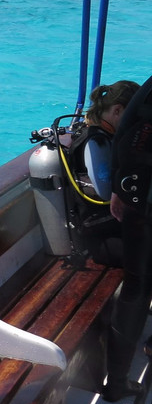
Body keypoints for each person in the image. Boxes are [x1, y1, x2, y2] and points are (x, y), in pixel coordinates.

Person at [102, 75, 152, 401]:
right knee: (135, 289)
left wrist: (120, 187)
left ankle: (116, 383)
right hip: (141, 203)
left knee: (135, 288)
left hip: (138, 204)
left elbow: (128, 133)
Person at [63, 80, 139, 265]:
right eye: (133, 116)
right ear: (117, 110)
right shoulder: (96, 142)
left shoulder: (110, 135)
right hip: (102, 236)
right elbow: (106, 192)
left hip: (119, 225)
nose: (135, 123)